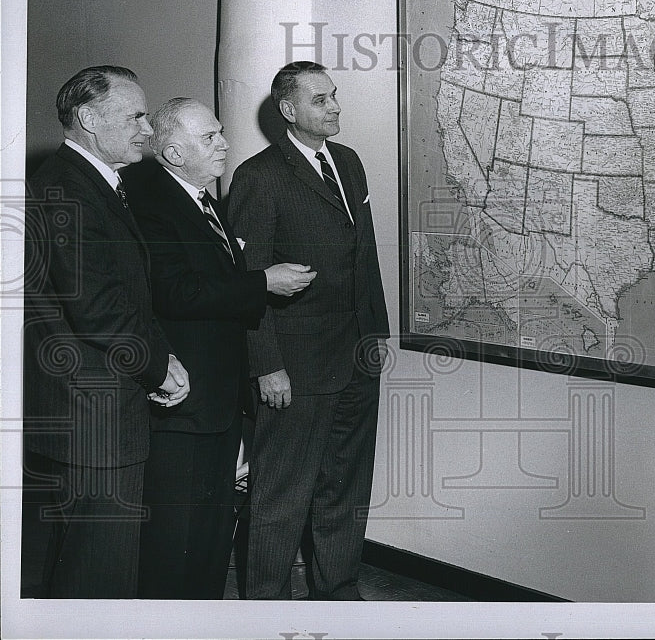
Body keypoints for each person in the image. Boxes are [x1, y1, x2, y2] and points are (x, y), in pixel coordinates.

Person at [121, 98, 316, 599]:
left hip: (218, 399)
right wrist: (262, 283)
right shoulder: (151, 204)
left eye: (220, 133)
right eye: (209, 138)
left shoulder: (202, 199)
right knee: (174, 540)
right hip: (184, 402)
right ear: (171, 152)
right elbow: (176, 293)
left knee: (209, 536)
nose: (224, 144)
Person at [22, 65, 190, 598]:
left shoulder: (87, 183)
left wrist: (159, 357)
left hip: (83, 412)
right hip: (94, 418)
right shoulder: (68, 187)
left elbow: (120, 295)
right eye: (136, 115)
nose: (147, 128)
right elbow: (100, 308)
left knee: (67, 573)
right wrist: (159, 366)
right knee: (100, 577)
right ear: (90, 118)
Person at [229, 61, 389, 600]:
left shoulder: (348, 163)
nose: (335, 107)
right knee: (280, 495)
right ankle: (264, 609)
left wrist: (376, 335)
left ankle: (338, 593)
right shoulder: (259, 177)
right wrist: (266, 363)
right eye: (320, 100)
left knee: (345, 485)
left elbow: (363, 257)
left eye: (334, 96)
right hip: (292, 368)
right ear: (288, 110)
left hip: (354, 358)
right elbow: (249, 284)